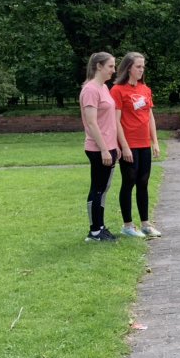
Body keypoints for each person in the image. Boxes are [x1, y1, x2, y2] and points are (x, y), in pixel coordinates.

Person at [111, 52, 162, 238]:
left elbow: (150, 117)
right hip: (129, 143)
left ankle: (146, 224)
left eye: (143, 66)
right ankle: (127, 226)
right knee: (129, 181)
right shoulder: (117, 90)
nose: (141, 70)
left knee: (143, 182)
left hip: (144, 143)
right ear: (128, 68)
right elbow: (116, 121)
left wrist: (155, 142)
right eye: (138, 66)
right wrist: (124, 146)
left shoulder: (145, 89)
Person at [80, 52, 123, 242]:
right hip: (98, 149)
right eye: (110, 66)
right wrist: (104, 149)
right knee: (97, 189)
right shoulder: (90, 90)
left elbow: (109, 120)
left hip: (109, 147)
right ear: (99, 66)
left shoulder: (104, 87)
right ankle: (95, 231)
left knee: (104, 188)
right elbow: (91, 123)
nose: (114, 70)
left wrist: (114, 145)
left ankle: (100, 227)